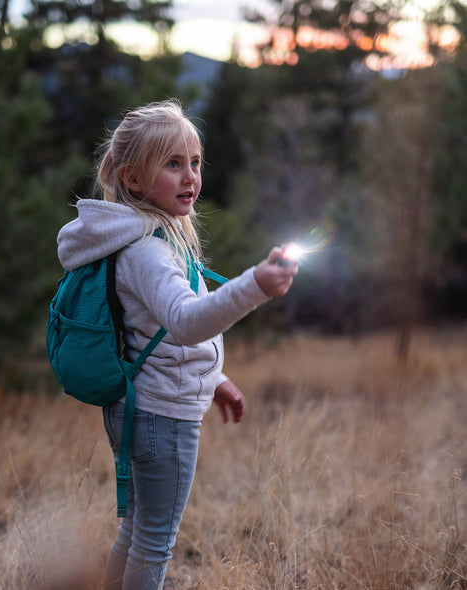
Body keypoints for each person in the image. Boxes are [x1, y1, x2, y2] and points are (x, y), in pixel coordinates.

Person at [56, 99, 298, 590]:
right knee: (155, 543)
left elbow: (159, 334)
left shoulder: (150, 236)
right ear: (133, 179)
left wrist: (217, 380)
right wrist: (255, 285)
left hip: (141, 406)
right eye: (172, 164)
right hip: (162, 416)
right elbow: (186, 323)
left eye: (195, 162)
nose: (190, 177)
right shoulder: (148, 250)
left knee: (137, 531)